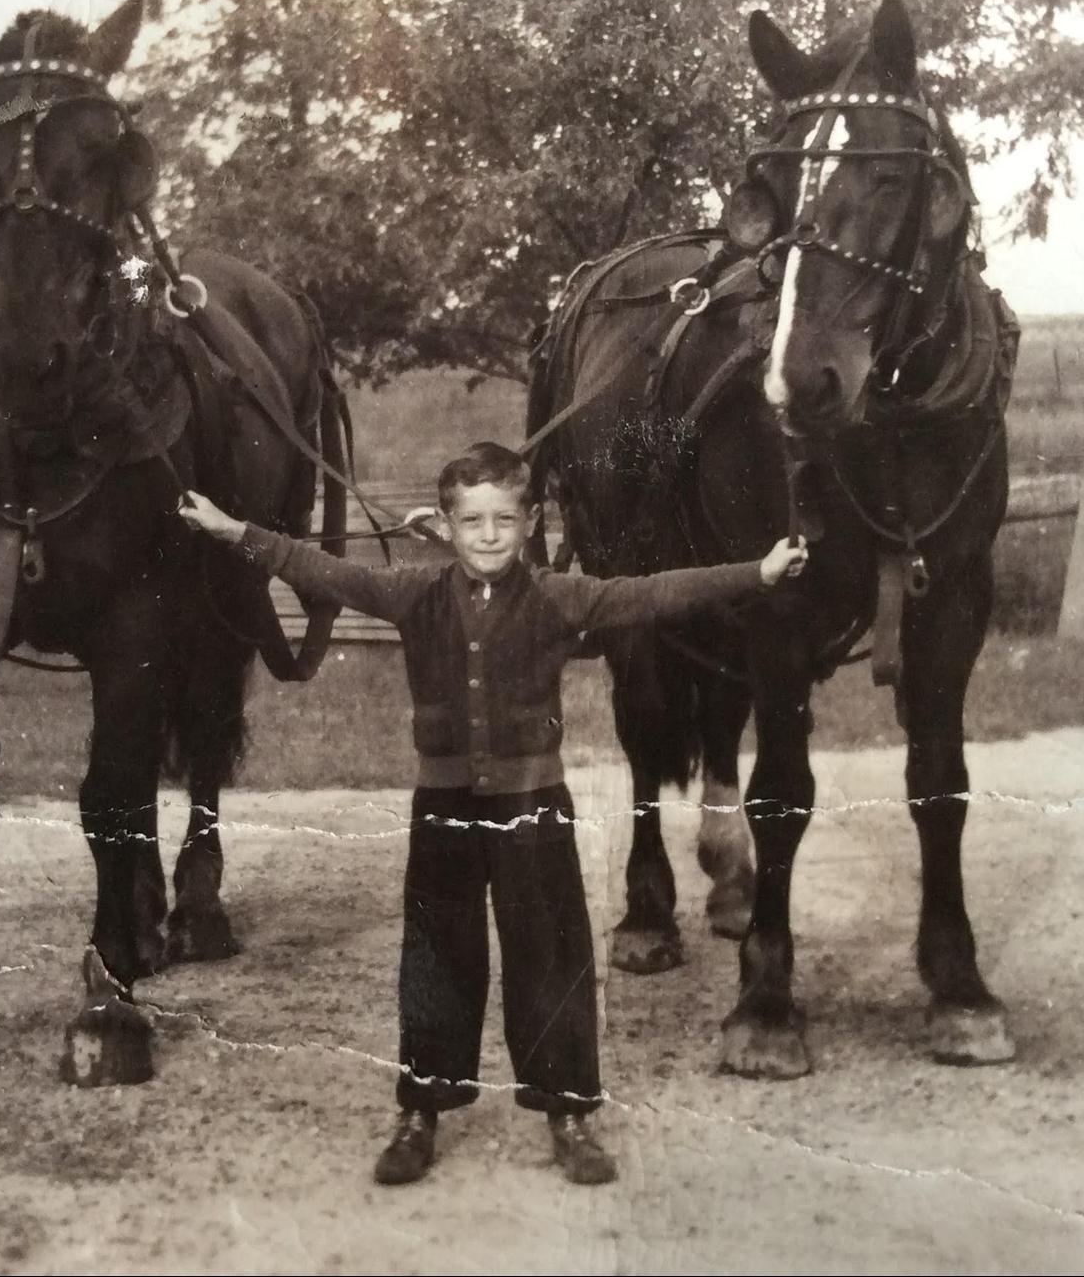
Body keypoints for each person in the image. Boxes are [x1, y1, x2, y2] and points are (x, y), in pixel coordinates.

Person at [178, 441, 807, 1187]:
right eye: (470, 521)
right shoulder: (415, 594)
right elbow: (324, 571)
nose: (486, 536)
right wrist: (232, 531)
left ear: (528, 521)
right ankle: (421, 1111)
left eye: (503, 520)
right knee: (437, 960)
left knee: (551, 959)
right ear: (446, 525)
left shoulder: (557, 599)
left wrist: (757, 574)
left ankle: (567, 1113)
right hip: (441, 808)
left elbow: (656, 592)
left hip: (532, 808)